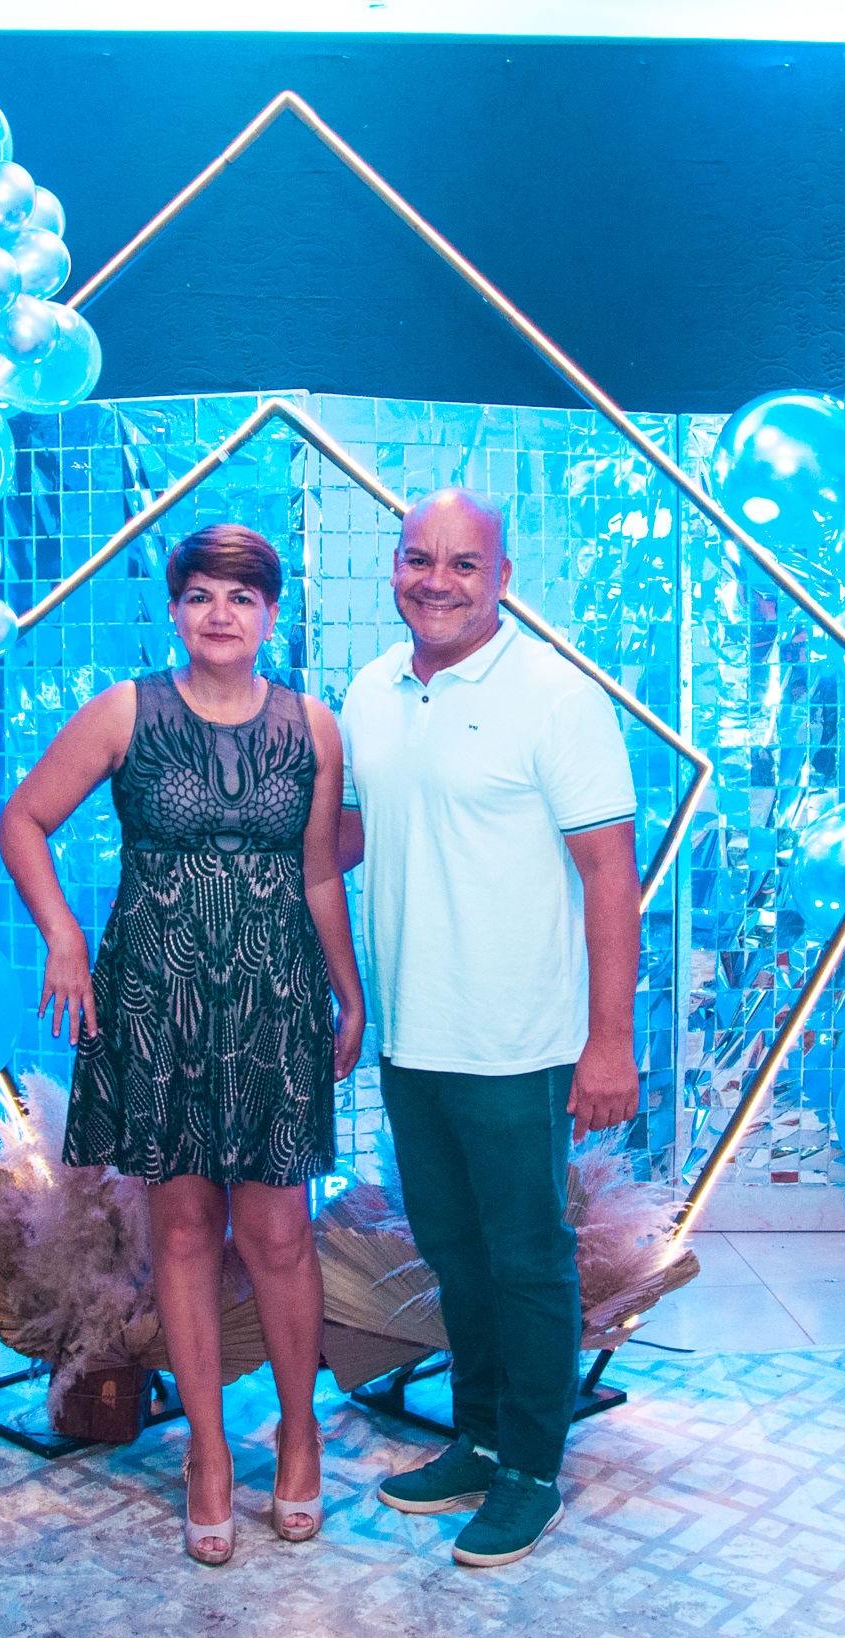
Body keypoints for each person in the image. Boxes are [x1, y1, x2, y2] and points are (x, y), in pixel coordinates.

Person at [0, 523, 367, 1568]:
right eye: (201, 594)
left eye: (242, 597)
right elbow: (23, 820)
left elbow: (318, 874)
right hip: (156, 1000)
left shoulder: (313, 726)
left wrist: (349, 996)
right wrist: (63, 937)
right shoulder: (127, 710)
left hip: (272, 1001)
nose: (220, 613)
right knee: (186, 1226)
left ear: (270, 615)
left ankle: (299, 1434)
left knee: (280, 1231)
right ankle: (208, 1452)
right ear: (174, 608)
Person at [337, 486, 641, 1568]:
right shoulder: (369, 689)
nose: (437, 581)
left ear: (503, 578)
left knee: (525, 1260)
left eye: (464, 563)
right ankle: (474, 1439)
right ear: (394, 568)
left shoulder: (557, 699)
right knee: (453, 1250)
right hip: (411, 1032)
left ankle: (531, 1472)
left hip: (518, 1039)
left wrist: (610, 1041)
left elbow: (610, 876)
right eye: (418, 558)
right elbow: (351, 837)